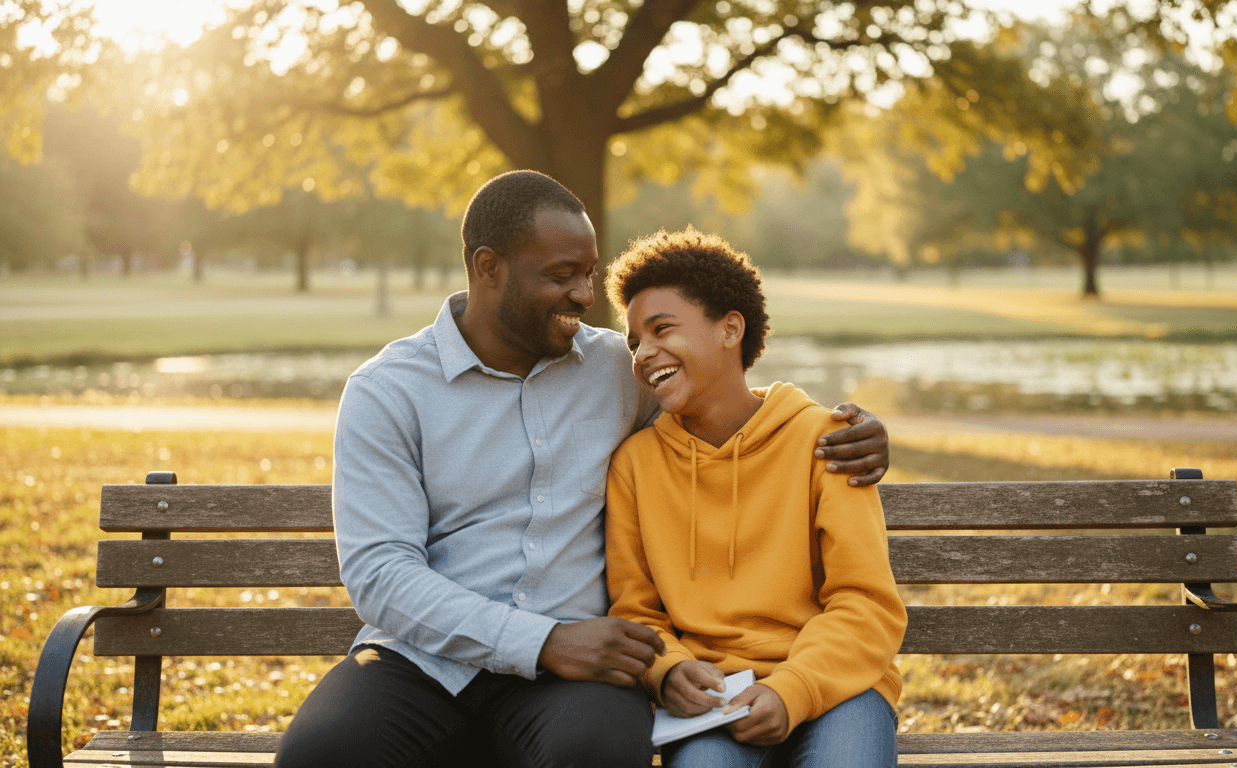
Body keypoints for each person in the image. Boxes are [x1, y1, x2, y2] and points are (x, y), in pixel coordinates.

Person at [272, 171, 891, 768]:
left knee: (597, 753)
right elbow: (380, 573)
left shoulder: (617, 367)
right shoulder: (388, 391)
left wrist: (844, 428)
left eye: (588, 274)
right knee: (321, 758)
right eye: (561, 275)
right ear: (488, 268)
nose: (585, 296)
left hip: (581, 672)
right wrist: (541, 642)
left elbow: (720, 384)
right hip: (425, 660)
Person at [604, 227, 907, 768]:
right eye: (634, 342)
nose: (644, 353)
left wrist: (793, 689)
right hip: (714, 698)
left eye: (662, 329)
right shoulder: (635, 465)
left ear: (730, 329)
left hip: (837, 685)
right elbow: (636, 610)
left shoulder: (825, 442)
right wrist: (668, 670)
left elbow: (866, 603)